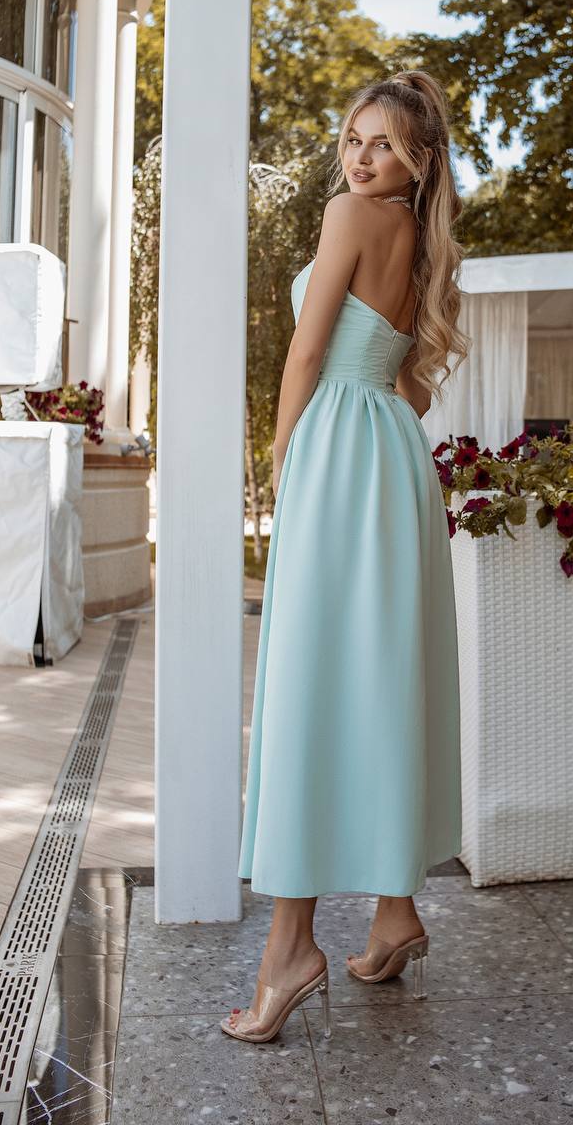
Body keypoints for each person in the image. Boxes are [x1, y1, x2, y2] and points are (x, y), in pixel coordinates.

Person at [221, 69, 471, 1044]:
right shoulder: (421, 238)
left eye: (383, 144)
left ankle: (290, 950)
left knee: (310, 684)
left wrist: (282, 459)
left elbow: (307, 353)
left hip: (337, 451)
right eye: (353, 138)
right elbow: (405, 379)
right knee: (377, 679)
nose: (360, 158)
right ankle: (395, 908)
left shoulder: (347, 218)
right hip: (394, 460)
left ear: (416, 158)